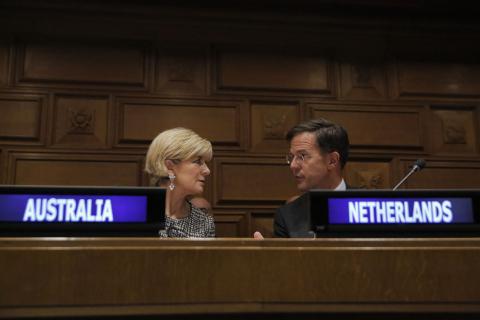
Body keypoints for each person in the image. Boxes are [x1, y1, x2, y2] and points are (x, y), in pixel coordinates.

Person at [254, 118, 350, 239]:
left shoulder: (372, 206)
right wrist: (272, 257)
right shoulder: (287, 216)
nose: (293, 165)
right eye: (292, 157)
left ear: (332, 161)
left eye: (302, 156)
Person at [145, 127, 215, 238]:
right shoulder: (139, 214)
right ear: (169, 167)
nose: (207, 171)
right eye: (197, 162)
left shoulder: (203, 222)